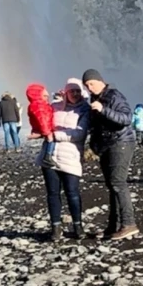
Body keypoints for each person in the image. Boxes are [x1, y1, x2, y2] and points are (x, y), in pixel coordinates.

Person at [82, 68, 138, 241]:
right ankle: (113, 226)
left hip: (121, 143)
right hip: (106, 146)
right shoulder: (94, 99)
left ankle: (129, 224)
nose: (89, 87)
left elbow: (126, 118)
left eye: (91, 83)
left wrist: (103, 110)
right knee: (111, 185)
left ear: (100, 80)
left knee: (118, 182)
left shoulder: (114, 96)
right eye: (86, 85)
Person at [39, 79, 90, 243]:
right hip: (49, 155)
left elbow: (79, 134)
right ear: (65, 92)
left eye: (77, 91)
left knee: (72, 193)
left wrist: (54, 135)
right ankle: (56, 228)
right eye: (71, 91)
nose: (74, 94)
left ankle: (78, 226)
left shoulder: (85, 110)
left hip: (70, 156)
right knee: (53, 194)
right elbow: (41, 118)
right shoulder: (55, 107)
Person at [26, 84, 57, 168]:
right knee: (50, 139)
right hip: (46, 129)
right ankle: (48, 156)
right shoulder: (39, 106)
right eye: (44, 95)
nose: (47, 96)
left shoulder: (39, 104)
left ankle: (47, 156)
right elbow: (42, 120)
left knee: (49, 140)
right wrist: (47, 132)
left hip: (45, 128)